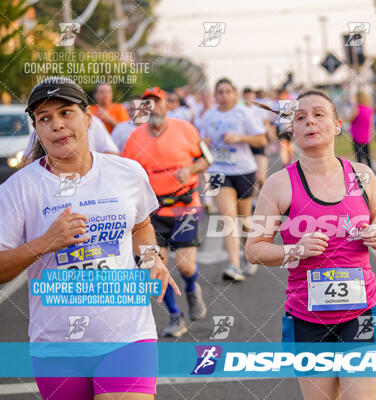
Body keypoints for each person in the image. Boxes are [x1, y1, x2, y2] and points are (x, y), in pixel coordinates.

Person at [0, 77, 180, 400]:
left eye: (65, 113)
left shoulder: (127, 173)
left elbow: (140, 226)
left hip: (127, 335)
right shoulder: (19, 189)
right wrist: (47, 242)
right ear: (37, 130)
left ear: (88, 117)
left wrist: (152, 258)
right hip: (56, 347)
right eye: (44, 119)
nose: (56, 125)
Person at [246, 89, 376, 400]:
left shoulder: (363, 177)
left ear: (338, 125)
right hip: (306, 319)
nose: (309, 121)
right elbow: (254, 248)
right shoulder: (279, 184)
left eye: (318, 114)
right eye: (300, 118)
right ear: (293, 130)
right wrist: (294, 250)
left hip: (362, 314)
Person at [123, 87, 209, 337]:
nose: (153, 108)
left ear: (166, 105)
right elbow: (128, 173)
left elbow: (207, 158)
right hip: (152, 212)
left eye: (157, 102)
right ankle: (175, 316)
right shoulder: (135, 138)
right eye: (147, 103)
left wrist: (191, 169)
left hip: (185, 206)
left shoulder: (185, 129)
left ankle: (192, 290)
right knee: (155, 266)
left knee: (184, 265)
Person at [196, 78, 267, 281]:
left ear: (235, 93)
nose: (224, 96)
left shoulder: (245, 113)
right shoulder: (209, 115)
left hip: (244, 169)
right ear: (215, 95)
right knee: (227, 217)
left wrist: (240, 138)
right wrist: (204, 143)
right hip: (218, 170)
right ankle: (234, 266)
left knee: (244, 219)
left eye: (228, 91)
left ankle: (249, 255)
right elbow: (200, 142)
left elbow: (261, 139)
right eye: (220, 92)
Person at [241, 87, 270, 202]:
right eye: (246, 95)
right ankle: (253, 201)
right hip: (246, 145)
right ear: (243, 96)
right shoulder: (240, 110)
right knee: (250, 177)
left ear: (253, 96)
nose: (248, 97)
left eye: (250, 94)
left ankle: (265, 198)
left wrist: (269, 138)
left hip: (259, 144)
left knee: (261, 177)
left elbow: (266, 124)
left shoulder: (259, 109)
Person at [349, 91, 373, 168]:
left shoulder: (357, 109)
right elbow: (371, 122)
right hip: (366, 135)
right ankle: (370, 168)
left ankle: (360, 169)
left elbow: (351, 119)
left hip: (357, 134)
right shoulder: (369, 109)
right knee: (367, 154)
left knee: (359, 154)